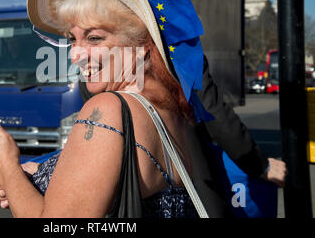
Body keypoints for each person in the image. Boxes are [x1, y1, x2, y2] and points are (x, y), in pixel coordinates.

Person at [0, 0, 211, 218]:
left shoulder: (108, 109)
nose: (76, 54)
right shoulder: (167, 111)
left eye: (95, 38)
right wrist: (42, 174)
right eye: (72, 38)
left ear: (140, 45)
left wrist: (6, 168)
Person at [79, 55, 288, 217]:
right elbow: (211, 109)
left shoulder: (95, 54)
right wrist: (259, 165)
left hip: (123, 188)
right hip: (190, 183)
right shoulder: (173, 39)